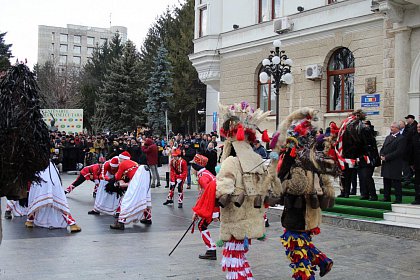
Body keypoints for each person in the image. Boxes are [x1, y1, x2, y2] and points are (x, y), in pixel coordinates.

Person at [273, 107, 337, 279]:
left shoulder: (299, 161)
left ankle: (308, 275)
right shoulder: (314, 157)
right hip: (309, 213)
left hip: (299, 213)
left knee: (297, 253)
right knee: (302, 244)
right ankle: (323, 261)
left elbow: (297, 186)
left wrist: (283, 180)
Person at [216, 101, 274, 279]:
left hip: (234, 217)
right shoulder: (257, 160)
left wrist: (219, 194)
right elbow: (267, 186)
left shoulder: (231, 162)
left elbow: (224, 187)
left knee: (233, 257)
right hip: (250, 217)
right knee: (239, 256)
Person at [25, 162, 81, 233]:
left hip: (40, 178)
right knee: (58, 201)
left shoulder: (36, 163)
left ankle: (30, 220)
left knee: (36, 199)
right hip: (51, 179)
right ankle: (72, 223)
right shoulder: (51, 166)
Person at [110, 152, 152, 230]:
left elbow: (118, 176)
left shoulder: (123, 163)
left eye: (120, 159)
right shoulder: (133, 162)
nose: (119, 161)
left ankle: (121, 222)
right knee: (143, 197)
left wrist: (114, 179)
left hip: (136, 180)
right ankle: (148, 218)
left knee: (126, 200)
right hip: (144, 179)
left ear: (123, 159)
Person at [191, 154, 219, 260]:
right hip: (215, 205)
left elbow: (209, 195)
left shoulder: (203, 177)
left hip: (214, 206)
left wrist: (198, 212)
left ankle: (211, 249)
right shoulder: (205, 174)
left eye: (192, 166)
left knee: (202, 226)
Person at [380, 121, 407, 203]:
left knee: (396, 182)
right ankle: (386, 196)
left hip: (395, 163)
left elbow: (399, 151)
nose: (391, 128)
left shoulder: (401, 138)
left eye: (393, 127)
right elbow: (383, 148)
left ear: (397, 128)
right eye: (391, 127)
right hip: (386, 163)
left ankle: (398, 198)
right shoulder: (388, 137)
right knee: (386, 180)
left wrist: (387, 157)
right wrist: (381, 154)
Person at [409, 123, 420, 205]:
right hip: (417, 164)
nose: (418, 128)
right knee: (417, 183)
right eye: (417, 127)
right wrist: (411, 163)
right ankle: (418, 198)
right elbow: (411, 151)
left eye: (419, 127)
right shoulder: (415, 137)